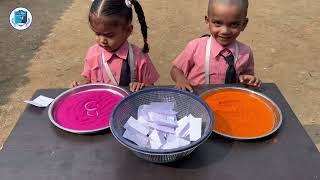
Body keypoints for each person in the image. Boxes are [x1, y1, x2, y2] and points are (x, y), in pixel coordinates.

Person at [170, 0, 261, 92]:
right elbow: (176, 69)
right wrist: (180, 79)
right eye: (217, 23)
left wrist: (248, 79)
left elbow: (248, 76)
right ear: (208, 21)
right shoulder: (195, 47)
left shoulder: (246, 52)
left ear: (244, 24)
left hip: (229, 100)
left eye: (234, 24)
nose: (225, 31)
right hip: (198, 99)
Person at [72, 0, 159, 92]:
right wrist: (81, 84)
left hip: (129, 105)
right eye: (97, 34)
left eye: (109, 35)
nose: (102, 40)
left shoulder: (139, 58)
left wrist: (141, 86)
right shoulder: (92, 54)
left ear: (128, 31)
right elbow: (88, 80)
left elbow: (150, 89)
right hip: (101, 104)